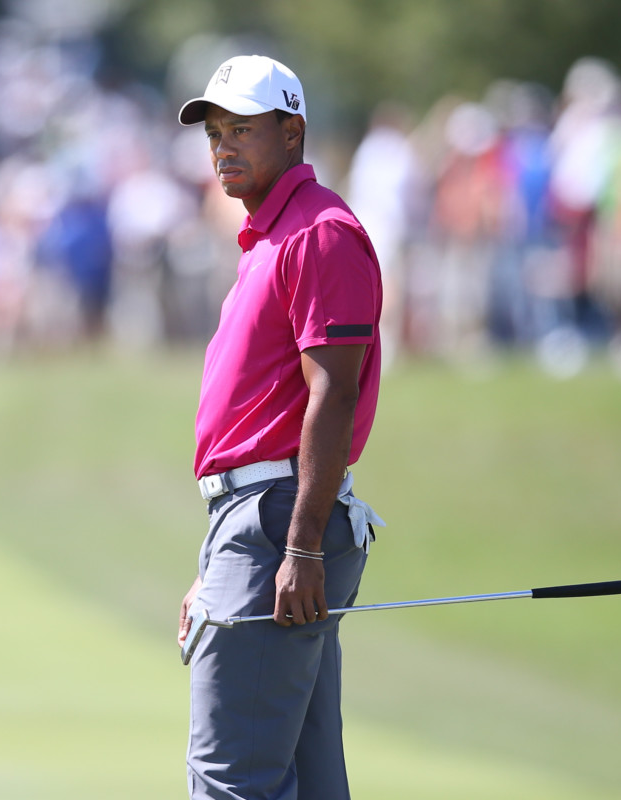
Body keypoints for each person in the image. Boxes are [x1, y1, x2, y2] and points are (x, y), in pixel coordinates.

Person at [175, 55, 386, 800]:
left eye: (242, 129)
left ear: (292, 132)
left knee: (233, 782)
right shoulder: (274, 235)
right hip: (261, 522)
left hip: (278, 525)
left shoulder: (318, 233)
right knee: (308, 780)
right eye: (214, 133)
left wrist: (296, 545)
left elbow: (334, 394)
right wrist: (218, 564)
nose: (222, 147)